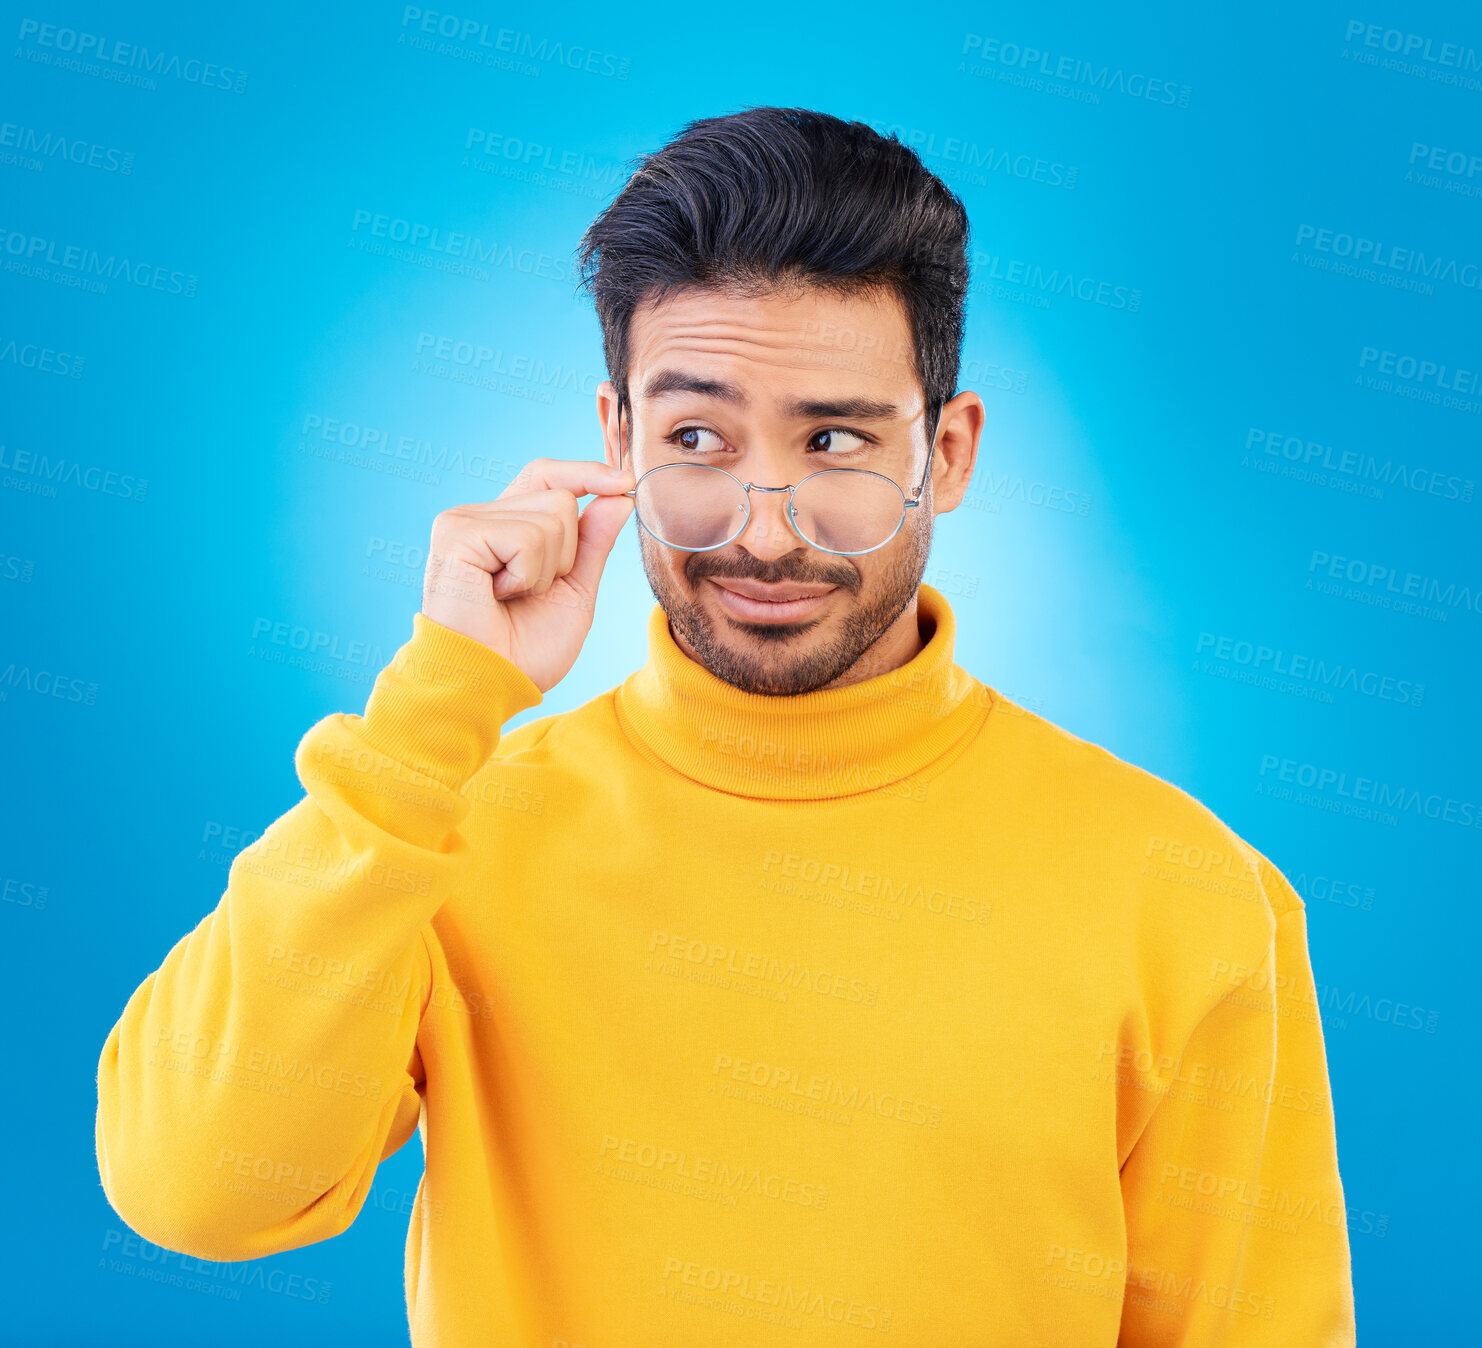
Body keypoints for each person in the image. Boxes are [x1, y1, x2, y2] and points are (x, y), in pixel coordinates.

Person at [95, 107, 1356, 1346]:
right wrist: (438, 704)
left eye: (837, 440)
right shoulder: (440, 823)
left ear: (951, 453)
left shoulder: (1189, 894)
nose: (763, 528)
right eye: (697, 437)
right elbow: (196, 1185)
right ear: (617, 440)